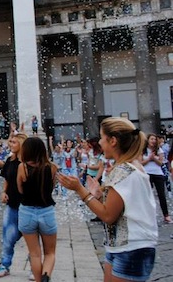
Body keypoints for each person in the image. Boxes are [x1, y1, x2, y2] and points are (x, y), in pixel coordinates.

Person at [59, 117, 157, 282]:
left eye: (101, 138)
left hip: (132, 247)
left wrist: (80, 190)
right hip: (121, 245)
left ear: (113, 141)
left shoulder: (122, 171)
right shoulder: (131, 165)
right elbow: (122, 206)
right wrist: (99, 195)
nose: (99, 142)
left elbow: (108, 216)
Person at [17, 137, 58, 282]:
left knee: (34, 254)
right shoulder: (52, 167)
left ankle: (39, 280)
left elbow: (20, 189)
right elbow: (51, 189)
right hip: (47, 211)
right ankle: (46, 275)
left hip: (27, 211)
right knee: (50, 253)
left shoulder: (22, 167)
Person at [0, 132, 28, 278]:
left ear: (21, 144)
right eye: (10, 142)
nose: (10, 144)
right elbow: (6, 178)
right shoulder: (10, 160)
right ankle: (5, 264)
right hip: (12, 203)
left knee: (31, 238)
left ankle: (35, 267)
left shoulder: (28, 162)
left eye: (14, 142)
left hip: (28, 205)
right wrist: (3, 192)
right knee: (8, 236)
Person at [140, 133, 173, 223]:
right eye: (152, 139)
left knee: (161, 195)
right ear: (148, 140)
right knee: (147, 195)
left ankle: (166, 215)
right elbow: (140, 163)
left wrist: (154, 158)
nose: (153, 141)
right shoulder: (143, 150)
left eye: (155, 139)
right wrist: (149, 159)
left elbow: (161, 163)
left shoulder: (159, 150)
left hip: (158, 173)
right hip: (147, 173)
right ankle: (148, 216)